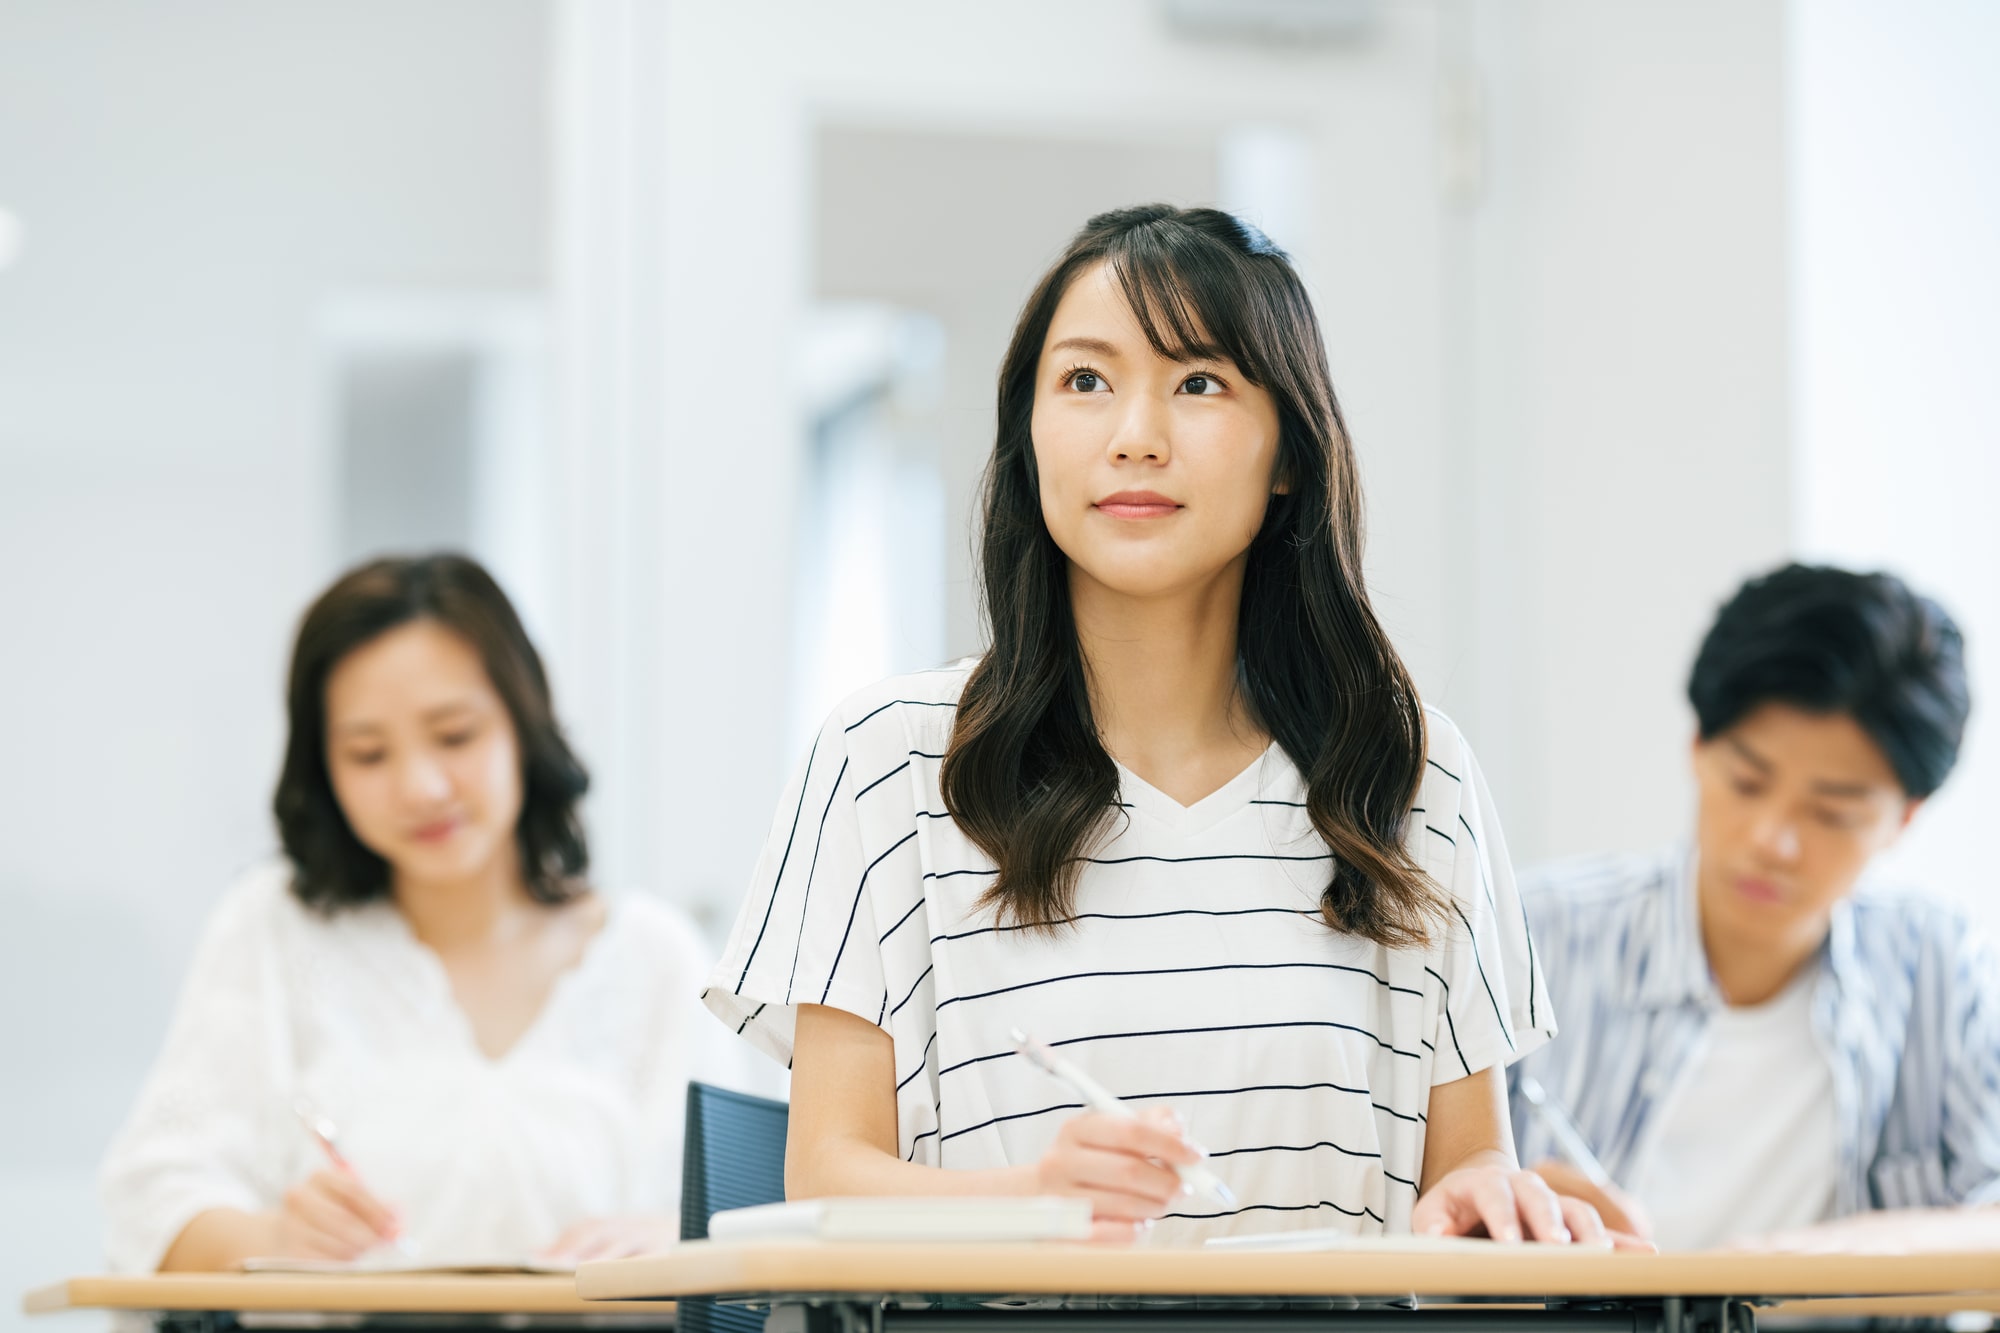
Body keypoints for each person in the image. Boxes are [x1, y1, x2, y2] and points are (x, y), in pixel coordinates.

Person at [702, 205, 1611, 1247]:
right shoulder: (885, 762)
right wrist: (1042, 1204)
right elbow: (822, 1176)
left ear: (1287, 455)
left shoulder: (1411, 773)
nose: (1134, 434)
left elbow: (1466, 1169)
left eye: (1198, 383)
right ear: (1029, 434)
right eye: (1085, 382)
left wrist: (1484, 1195)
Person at [101, 554, 727, 1272]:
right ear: (323, 767)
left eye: (456, 736)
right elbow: (151, 1205)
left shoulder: (655, 956)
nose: (421, 786)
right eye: (368, 754)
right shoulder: (273, 929)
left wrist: (684, 1239)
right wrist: (271, 1238)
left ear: (524, 726)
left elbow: (758, 1222)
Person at [1514, 563, 2000, 1251]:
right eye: (1747, 782)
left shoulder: (1939, 967)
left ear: (1904, 819)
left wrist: (1794, 1262)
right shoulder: (1533, 937)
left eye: (1832, 812)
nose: (1774, 841)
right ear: (1698, 749)